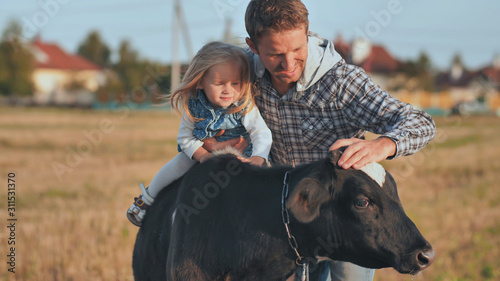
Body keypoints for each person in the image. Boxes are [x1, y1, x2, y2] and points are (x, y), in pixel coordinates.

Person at [204, 0, 437, 280]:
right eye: (275, 54)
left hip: (347, 214)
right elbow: (199, 115)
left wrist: (382, 145)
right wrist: (212, 144)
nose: (288, 64)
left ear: (307, 33)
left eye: (297, 49)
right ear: (253, 47)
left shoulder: (341, 83)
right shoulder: (241, 76)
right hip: (287, 216)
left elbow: (421, 122)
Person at [126, 41, 272, 227]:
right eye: (219, 83)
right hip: (203, 153)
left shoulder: (244, 105)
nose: (228, 90)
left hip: (245, 155)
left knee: (265, 182)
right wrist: (203, 156)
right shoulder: (194, 105)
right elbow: (185, 138)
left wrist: (258, 158)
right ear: (201, 82)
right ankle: (147, 200)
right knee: (179, 163)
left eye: (235, 83)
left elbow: (261, 132)